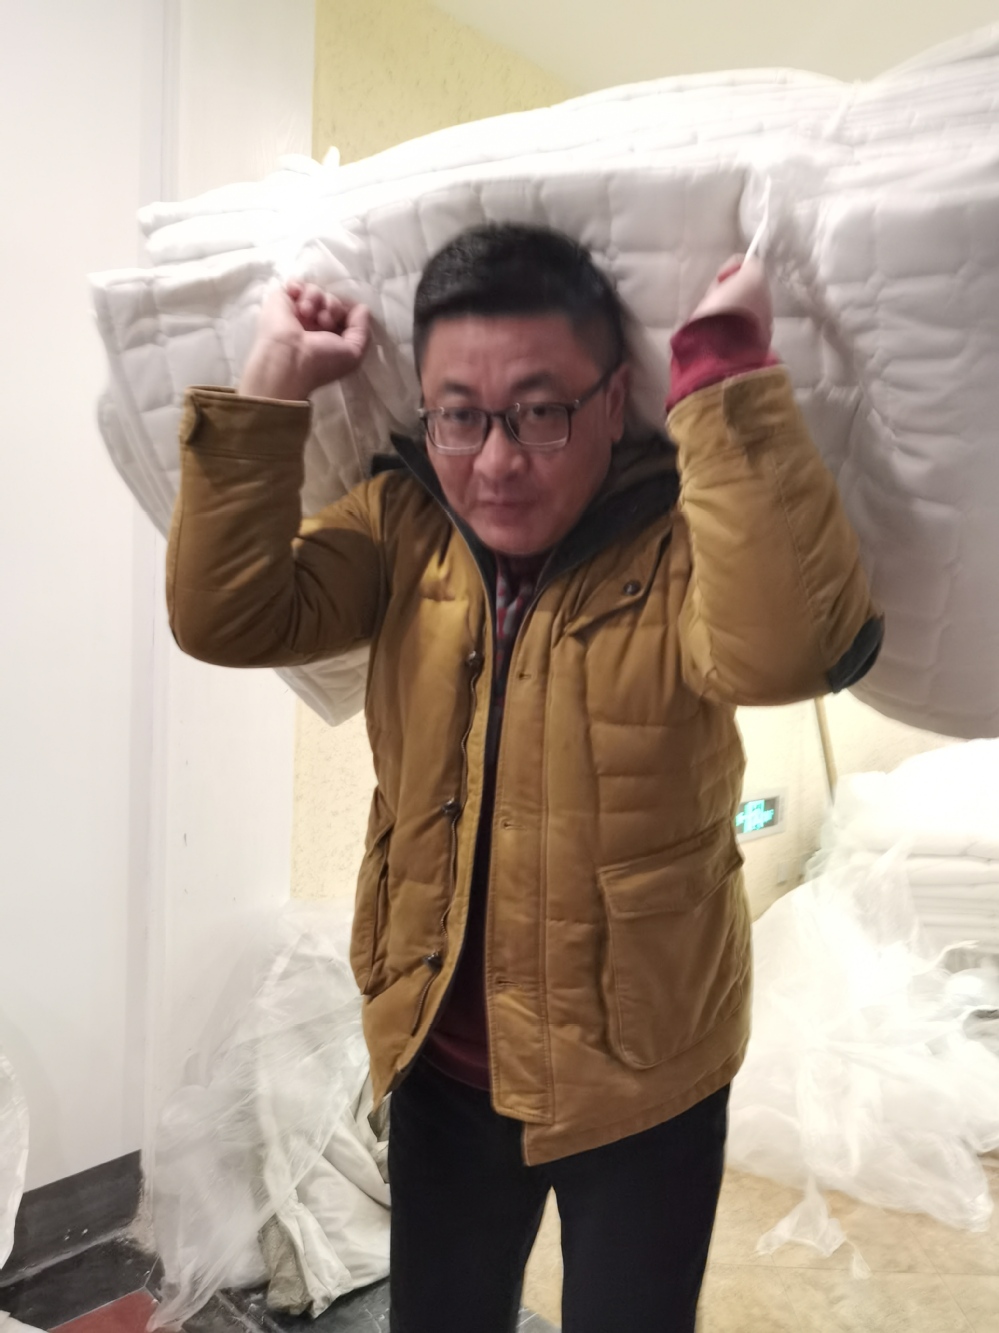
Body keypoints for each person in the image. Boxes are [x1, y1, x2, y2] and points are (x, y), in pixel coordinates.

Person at [166, 223, 881, 1332]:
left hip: (645, 1070)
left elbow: (792, 650)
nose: (496, 461)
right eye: (460, 415)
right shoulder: (403, 526)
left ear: (612, 399)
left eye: (541, 412)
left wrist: (721, 373)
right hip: (441, 1059)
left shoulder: (677, 544)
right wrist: (270, 387)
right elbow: (226, 615)